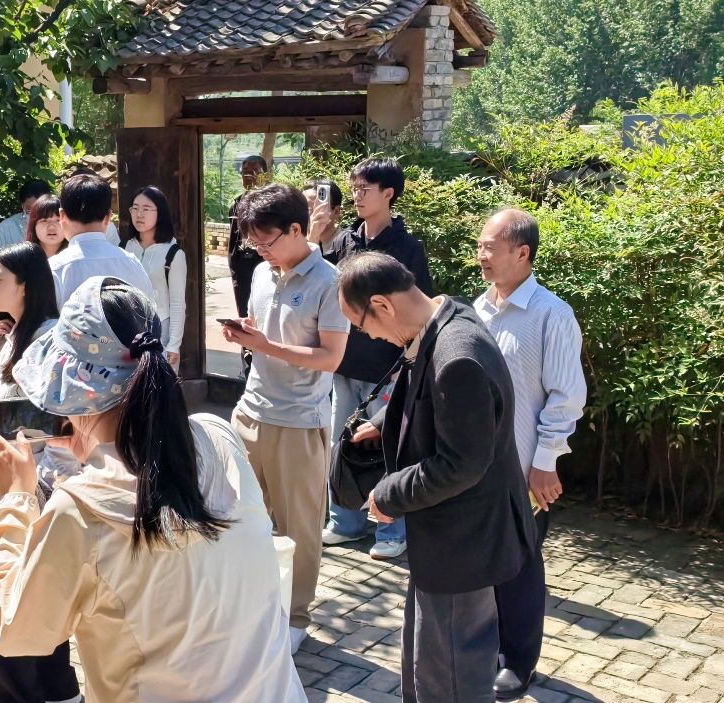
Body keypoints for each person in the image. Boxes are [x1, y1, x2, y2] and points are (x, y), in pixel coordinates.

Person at [0, 277, 306, 703]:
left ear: (73, 392)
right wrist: (93, 449)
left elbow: (13, 632)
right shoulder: (219, 437)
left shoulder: (79, 510)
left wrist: (15, 497)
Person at [337, 251, 535, 703]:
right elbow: (431, 394)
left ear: (382, 305)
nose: (368, 336)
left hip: (464, 540)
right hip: (450, 537)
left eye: (362, 325)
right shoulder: (444, 316)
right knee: (430, 660)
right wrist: (385, 421)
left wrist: (388, 494)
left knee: (450, 672)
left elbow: (462, 462)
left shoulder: (457, 353)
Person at [220, 184, 349, 652]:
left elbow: (331, 357)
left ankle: (295, 615)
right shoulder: (261, 272)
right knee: (241, 517)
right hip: (249, 411)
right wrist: (248, 335)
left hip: (299, 421)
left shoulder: (330, 282)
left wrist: (267, 346)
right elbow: (267, 334)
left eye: (266, 240)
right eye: (253, 241)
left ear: (297, 229)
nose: (260, 249)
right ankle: (252, 603)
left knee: (299, 528)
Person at [0, 242, 77, 703]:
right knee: (31, 590)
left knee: (19, 594)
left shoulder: (50, 338)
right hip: (10, 483)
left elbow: (59, 416)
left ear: (26, 285)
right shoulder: (8, 334)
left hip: (40, 483)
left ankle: (37, 689)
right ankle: (58, 688)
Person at [472, 209, 586, 700]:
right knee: (482, 563)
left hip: (523, 470)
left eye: (490, 247)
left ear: (522, 253)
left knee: (519, 566)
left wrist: (544, 463)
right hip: (476, 468)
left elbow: (565, 397)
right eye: (479, 245)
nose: (481, 255)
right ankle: (484, 648)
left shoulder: (551, 314)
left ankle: (518, 661)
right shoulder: (477, 309)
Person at [321, 157, 432, 562]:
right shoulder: (344, 242)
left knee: (389, 448)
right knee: (343, 444)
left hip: (388, 368)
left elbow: (420, 311)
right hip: (345, 364)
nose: (356, 196)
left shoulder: (407, 248)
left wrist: (409, 364)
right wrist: (316, 237)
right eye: (354, 188)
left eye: (365, 189)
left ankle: (391, 529)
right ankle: (345, 522)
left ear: (389, 193)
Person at [46, 174, 155, 305]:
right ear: (108, 217)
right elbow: (149, 313)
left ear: (62, 216)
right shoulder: (132, 263)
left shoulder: (54, 269)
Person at [122, 186, 187, 369]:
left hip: (159, 329)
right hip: (127, 328)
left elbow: (177, 303)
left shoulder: (173, 254)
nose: (139, 214)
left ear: (160, 212)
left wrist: (174, 344)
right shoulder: (124, 248)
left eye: (146, 208)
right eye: (135, 208)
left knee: (156, 381)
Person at [225, 155, 269, 316]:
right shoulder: (237, 203)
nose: (250, 175)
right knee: (244, 309)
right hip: (242, 265)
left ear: (265, 174)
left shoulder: (273, 202)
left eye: (255, 170)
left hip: (266, 261)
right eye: (245, 172)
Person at [0, 180, 54, 270]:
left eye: (41, 209)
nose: (35, 215)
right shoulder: (5, 228)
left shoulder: (58, 227)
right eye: (29, 209)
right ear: (22, 205)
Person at [303, 180, 343, 248]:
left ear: (336, 211)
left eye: (316, 208)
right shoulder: (293, 242)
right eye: (303, 207)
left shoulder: (346, 245)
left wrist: (314, 238)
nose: (308, 213)